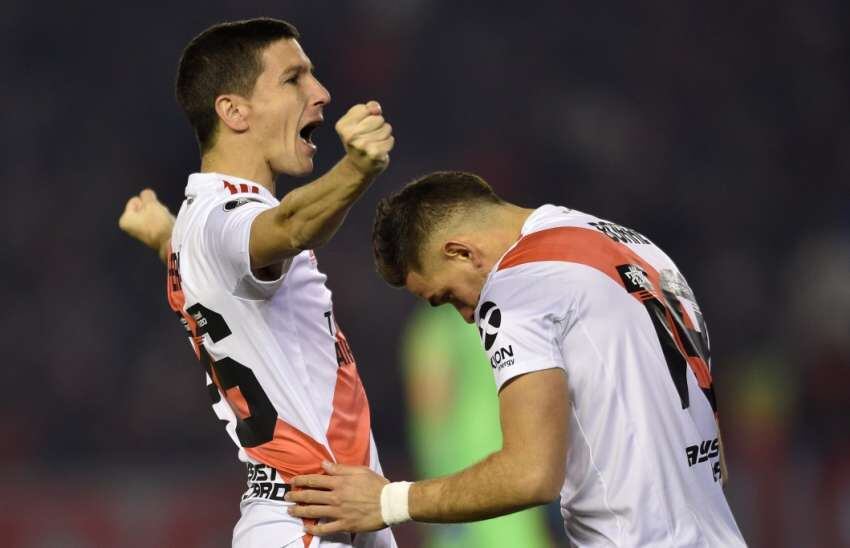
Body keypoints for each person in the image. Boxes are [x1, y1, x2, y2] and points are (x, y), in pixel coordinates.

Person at [286, 171, 747, 546]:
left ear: (461, 252)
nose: (468, 317)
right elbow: (716, 459)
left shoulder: (516, 286)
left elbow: (531, 475)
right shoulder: (638, 250)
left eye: (448, 296)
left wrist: (388, 502)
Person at [118, 18, 396, 548]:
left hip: (323, 510)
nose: (321, 93)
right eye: (294, 79)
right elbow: (286, 228)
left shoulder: (204, 224)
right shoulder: (229, 214)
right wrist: (357, 168)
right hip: (306, 516)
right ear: (233, 111)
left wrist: (166, 239)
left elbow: (222, 265)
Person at [401, 304, 552, 547]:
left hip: (485, 474)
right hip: (487, 471)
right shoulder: (504, 317)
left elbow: (429, 420)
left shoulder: (435, 329)